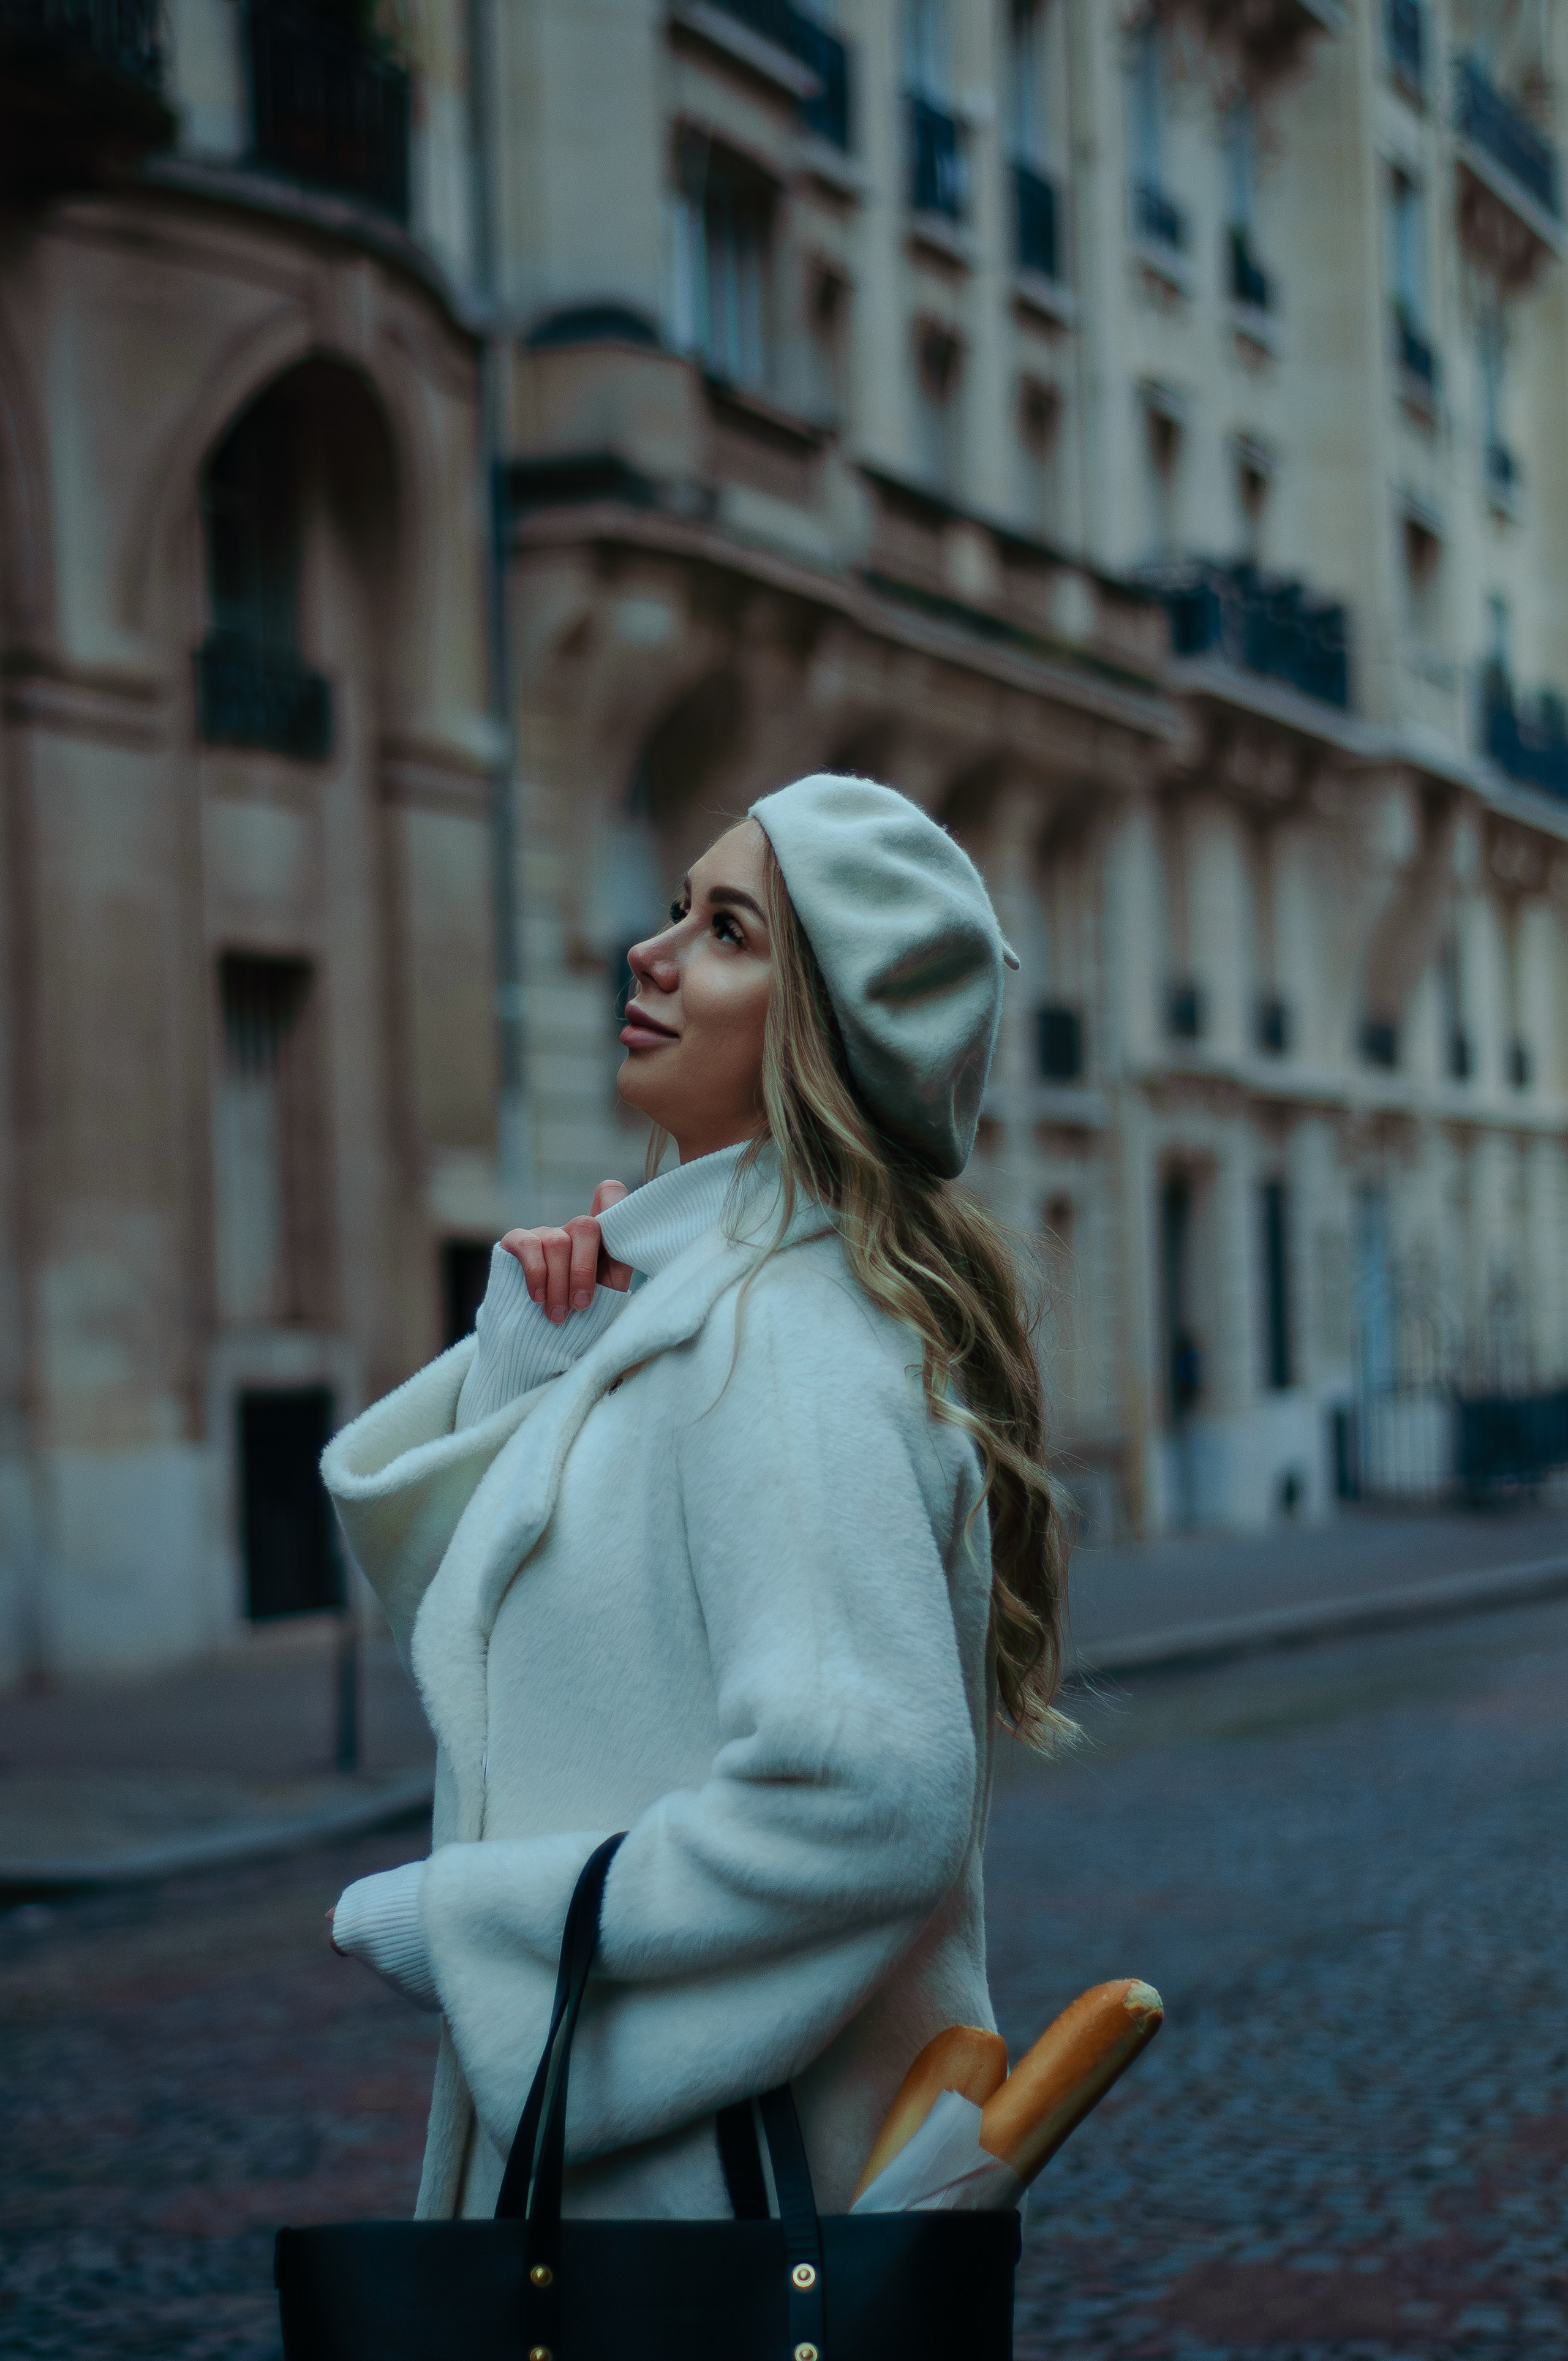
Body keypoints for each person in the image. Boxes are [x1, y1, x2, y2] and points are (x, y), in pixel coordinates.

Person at [323, 773, 1070, 2222]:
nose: (650, 951)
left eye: (726, 930)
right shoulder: (709, 1311)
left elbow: (865, 1794)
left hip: (708, 2210)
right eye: (677, 907)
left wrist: (488, 1922)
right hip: (683, 2191)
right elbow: (508, 1670)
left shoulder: (779, 1340)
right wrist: (539, 1367)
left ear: (824, 1029)